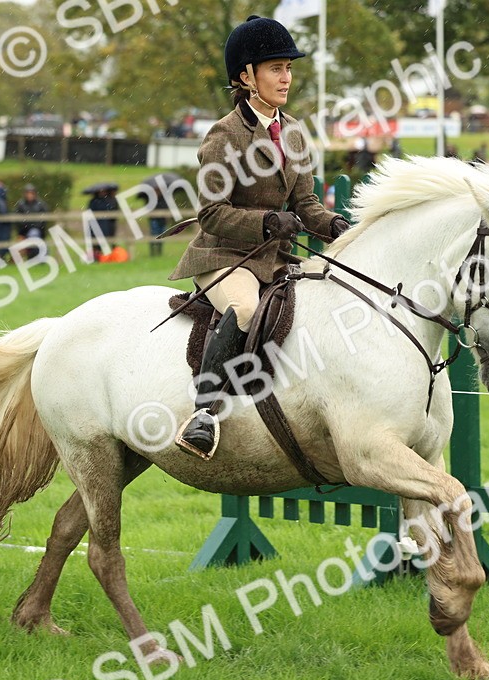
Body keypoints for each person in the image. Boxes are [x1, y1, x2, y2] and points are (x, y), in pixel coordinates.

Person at [168, 15, 351, 459]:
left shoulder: (293, 131)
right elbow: (211, 213)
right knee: (246, 307)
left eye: (288, 68)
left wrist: (334, 225)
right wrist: (267, 223)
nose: (286, 77)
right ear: (245, 76)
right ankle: (204, 414)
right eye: (275, 68)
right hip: (224, 255)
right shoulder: (224, 134)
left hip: (274, 258)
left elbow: (306, 204)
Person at [14, 184, 49, 254]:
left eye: (31, 193)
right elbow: (17, 219)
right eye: (28, 193)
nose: (29, 195)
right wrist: (24, 229)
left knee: (33, 234)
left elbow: (44, 218)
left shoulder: (40, 204)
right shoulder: (21, 204)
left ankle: (39, 255)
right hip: (24, 231)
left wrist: (35, 226)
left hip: (37, 230)